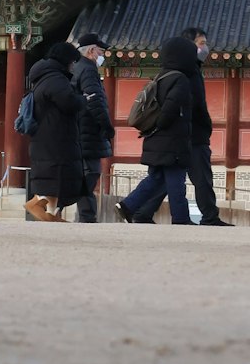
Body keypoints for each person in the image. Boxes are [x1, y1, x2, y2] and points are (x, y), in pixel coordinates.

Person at [131, 27, 232, 226]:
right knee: (200, 177)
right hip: (191, 134)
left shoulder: (176, 72)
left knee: (167, 177)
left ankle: (143, 212)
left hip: (180, 134)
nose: (205, 48)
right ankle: (208, 216)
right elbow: (193, 106)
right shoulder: (188, 74)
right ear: (188, 47)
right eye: (201, 43)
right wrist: (207, 125)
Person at [117, 36, 198, 226]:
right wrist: (162, 124)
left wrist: (156, 127)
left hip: (155, 138)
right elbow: (171, 108)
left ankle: (127, 206)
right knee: (177, 182)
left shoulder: (161, 76)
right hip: (173, 141)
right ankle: (181, 219)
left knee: (155, 178)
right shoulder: (180, 79)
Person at [25, 42, 85, 222]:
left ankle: (52, 214)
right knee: (55, 176)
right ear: (67, 60)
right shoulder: (56, 79)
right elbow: (68, 102)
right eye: (73, 61)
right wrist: (84, 100)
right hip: (55, 137)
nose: (74, 66)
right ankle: (36, 203)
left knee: (55, 178)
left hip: (48, 137)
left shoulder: (45, 77)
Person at [71, 33, 115, 222]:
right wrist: (106, 126)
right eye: (100, 51)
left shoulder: (77, 68)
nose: (101, 55)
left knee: (87, 174)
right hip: (89, 131)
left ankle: (87, 216)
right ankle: (86, 216)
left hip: (81, 130)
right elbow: (95, 101)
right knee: (91, 173)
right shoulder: (88, 70)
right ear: (91, 51)